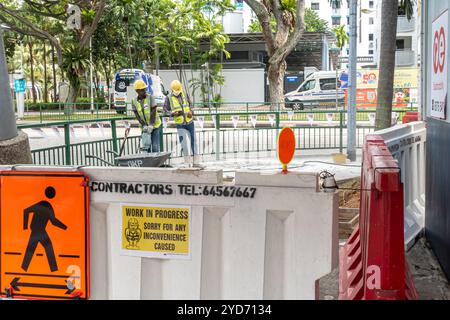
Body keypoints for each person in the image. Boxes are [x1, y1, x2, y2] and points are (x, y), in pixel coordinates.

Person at [164, 80, 203, 167]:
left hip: (190, 121)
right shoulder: (168, 98)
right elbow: (165, 111)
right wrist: (173, 113)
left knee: (194, 141)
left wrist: (191, 111)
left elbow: (191, 105)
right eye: (176, 90)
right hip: (180, 123)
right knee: (184, 143)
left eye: (178, 90)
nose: (177, 92)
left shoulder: (184, 94)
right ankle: (187, 163)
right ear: (172, 89)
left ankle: (196, 162)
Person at [132, 79, 162, 153]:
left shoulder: (150, 97)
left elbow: (153, 111)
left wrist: (151, 125)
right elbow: (137, 114)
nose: (144, 90)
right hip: (144, 128)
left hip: (155, 126)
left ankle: (155, 163)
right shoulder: (134, 101)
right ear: (137, 91)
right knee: (146, 147)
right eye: (142, 90)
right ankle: (148, 163)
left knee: (155, 147)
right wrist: (144, 125)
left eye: (144, 89)